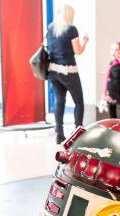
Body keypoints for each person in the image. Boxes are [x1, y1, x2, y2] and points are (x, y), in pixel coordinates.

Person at [46, 4, 88, 144]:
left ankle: (59, 133)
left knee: (60, 101)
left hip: (53, 71)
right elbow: (78, 51)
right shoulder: (71, 29)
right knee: (79, 102)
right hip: (68, 71)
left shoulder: (51, 28)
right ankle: (78, 133)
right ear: (70, 15)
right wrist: (85, 41)